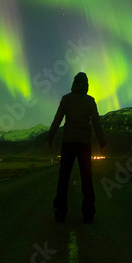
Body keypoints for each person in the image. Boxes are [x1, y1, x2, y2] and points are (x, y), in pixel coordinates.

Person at [47, 72, 106, 223]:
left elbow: (57, 119)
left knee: (63, 178)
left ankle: (60, 213)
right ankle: (88, 214)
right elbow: (97, 124)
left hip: (68, 143)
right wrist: (102, 143)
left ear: (73, 83)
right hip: (84, 144)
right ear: (86, 85)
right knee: (87, 178)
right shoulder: (90, 101)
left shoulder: (66, 99)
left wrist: (50, 137)